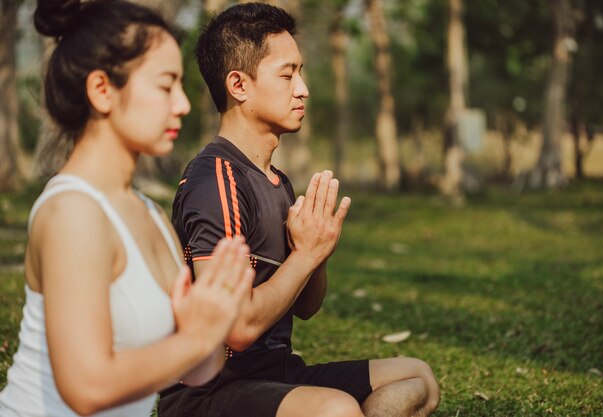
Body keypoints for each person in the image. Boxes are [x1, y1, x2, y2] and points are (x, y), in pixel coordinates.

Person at [158, 3, 440, 417]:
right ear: (239, 85)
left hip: (275, 374)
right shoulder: (215, 180)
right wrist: (305, 254)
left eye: (300, 73)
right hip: (208, 392)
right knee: (335, 410)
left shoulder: (277, 181)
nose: (303, 88)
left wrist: (317, 249)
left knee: (418, 379)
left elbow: (306, 307)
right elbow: (237, 330)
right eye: (288, 75)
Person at [0, 1, 254, 416]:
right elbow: (86, 387)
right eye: (165, 85)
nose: (183, 105)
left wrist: (211, 320)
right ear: (102, 90)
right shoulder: (72, 212)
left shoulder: (151, 216)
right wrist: (194, 337)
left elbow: (196, 369)